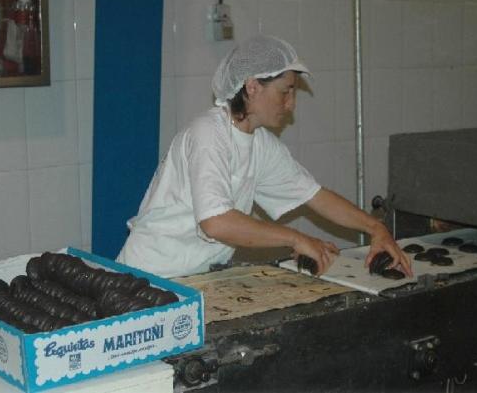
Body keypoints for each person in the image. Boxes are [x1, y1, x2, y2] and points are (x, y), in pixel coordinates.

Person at [117, 35, 412, 279]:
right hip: (148, 278)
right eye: (285, 92)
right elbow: (216, 222)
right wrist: (295, 238)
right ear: (252, 87)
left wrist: (376, 228)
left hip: (195, 278)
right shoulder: (208, 134)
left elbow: (315, 195)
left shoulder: (260, 144)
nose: (291, 104)